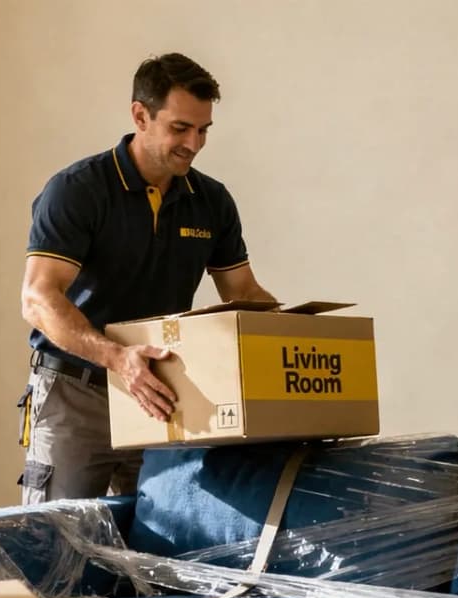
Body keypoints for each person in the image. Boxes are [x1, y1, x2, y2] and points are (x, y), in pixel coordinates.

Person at [17, 52, 276, 504]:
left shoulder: (211, 201)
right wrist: (118, 358)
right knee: (57, 547)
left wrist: (299, 340)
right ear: (140, 115)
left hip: (161, 394)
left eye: (203, 130)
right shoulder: (78, 190)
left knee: (160, 551)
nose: (193, 144)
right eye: (180, 128)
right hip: (75, 393)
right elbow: (38, 298)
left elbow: (244, 294)